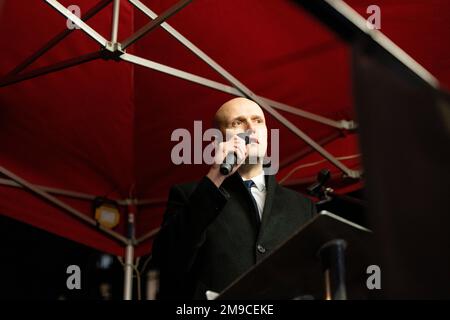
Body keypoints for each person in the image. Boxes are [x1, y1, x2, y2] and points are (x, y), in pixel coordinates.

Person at [151, 97, 316, 299]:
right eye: (237, 122)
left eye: (258, 121)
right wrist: (216, 175)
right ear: (218, 141)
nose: (250, 128)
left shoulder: (302, 206)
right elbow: (167, 260)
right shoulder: (191, 196)